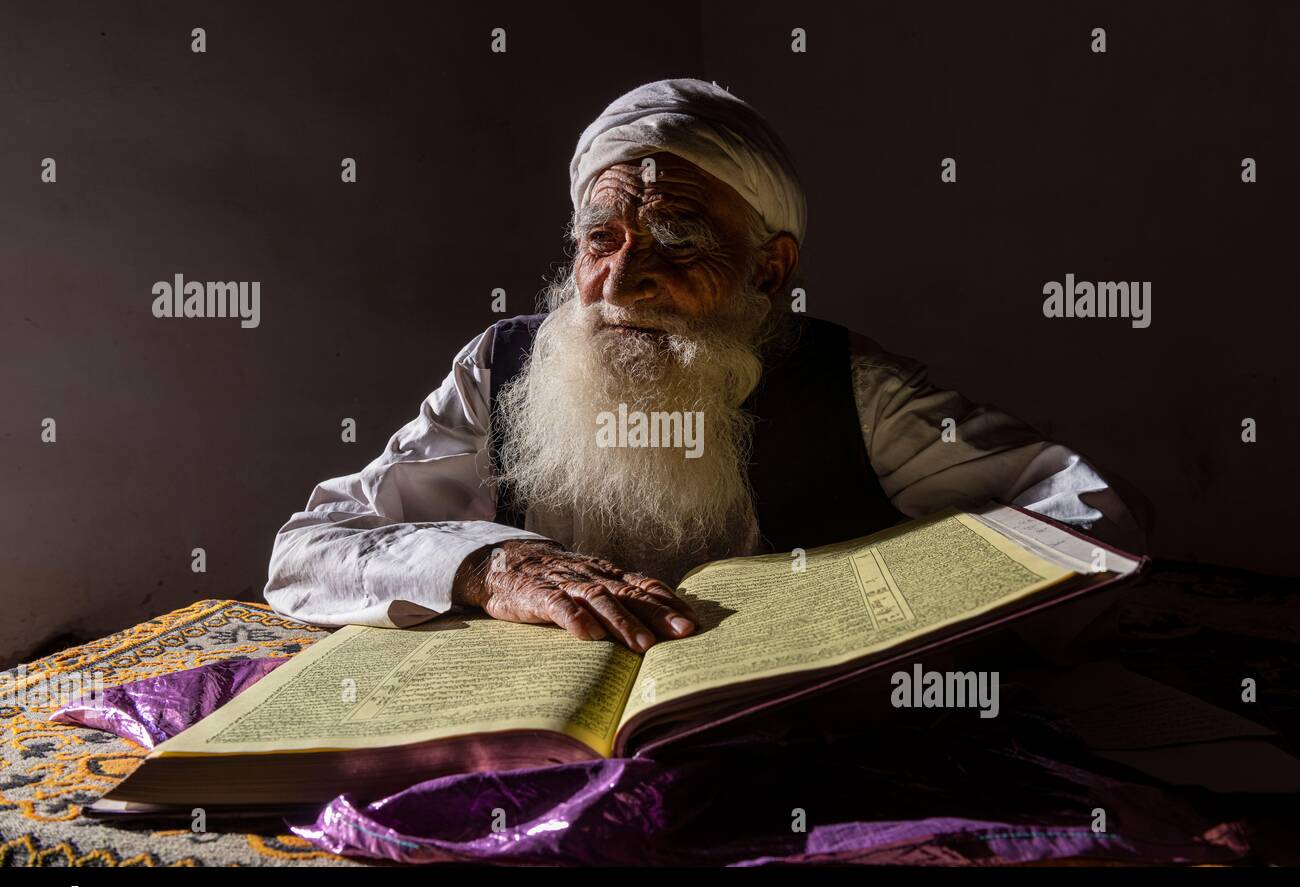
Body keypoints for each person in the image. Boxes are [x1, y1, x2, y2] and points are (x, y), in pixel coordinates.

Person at [265, 78, 1144, 655]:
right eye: (600, 240)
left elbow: (1090, 520)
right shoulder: (504, 367)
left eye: (678, 243)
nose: (622, 280)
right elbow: (308, 552)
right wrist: (489, 568)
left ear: (769, 270)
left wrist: (880, 608)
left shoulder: (853, 388)